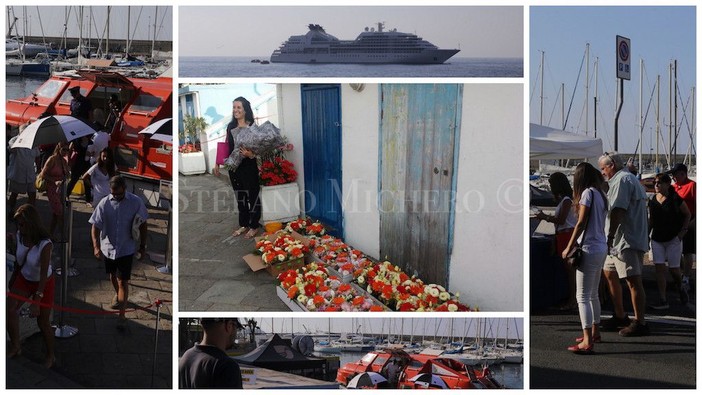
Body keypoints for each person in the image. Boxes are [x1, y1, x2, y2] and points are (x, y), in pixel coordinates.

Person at [599, 152, 650, 336]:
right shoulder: (625, 179)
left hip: (625, 239)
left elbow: (618, 209)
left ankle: (640, 322)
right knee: (610, 273)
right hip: (620, 240)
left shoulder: (622, 180)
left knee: (633, 280)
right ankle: (620, 315)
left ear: (611, 165)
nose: (602, 172)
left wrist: (610, 235)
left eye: (603, 169)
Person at [89, 175, 148, 330]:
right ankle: (119, 296)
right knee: (113, 277)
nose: (116, 197)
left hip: (126, 248)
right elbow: (95, 226)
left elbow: (143, 224)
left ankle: (122, 314)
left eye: (119, 194)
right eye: (113, 194)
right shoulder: (104, 203)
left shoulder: (136, 202)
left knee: (123, 281)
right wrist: (96, 247)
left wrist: (143, 246)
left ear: (125, 189)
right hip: (108, 248)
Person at [561, 163, 609, 354]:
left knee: (581, 296)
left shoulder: (587, 194)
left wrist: (568, 246)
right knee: (593, 294)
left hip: (588, 248)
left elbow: (580, 223)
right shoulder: (600, 194)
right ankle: (595, 331)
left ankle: (587, 340)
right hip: (600, 247)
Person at [6, 204, 56, 368]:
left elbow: (43, 273)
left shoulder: (45, 244)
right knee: (9, 309)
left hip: (43, 282)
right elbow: (20, 261)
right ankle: (16, 345)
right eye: (18, 224)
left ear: (31, 223)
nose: (19, 228)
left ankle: (50, 355)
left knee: (43, 322)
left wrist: (37, 300)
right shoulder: (20, 235)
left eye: (22, 224)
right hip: (25, 277)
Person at [213, 97, 261, 239]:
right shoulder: (230, 126)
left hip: (249, 166)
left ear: (245, 110)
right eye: (234, 107)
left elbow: (259, 147)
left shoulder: (252, 126)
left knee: (252, 196)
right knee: (240, 197)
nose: (236, 110)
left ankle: (254, 226)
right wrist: (217, 162)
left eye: (239, 107)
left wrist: (250, 154)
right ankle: (244, 224)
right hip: (235, 167)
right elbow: (227, 145)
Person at [648, 173, 691, 309]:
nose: (656, 185)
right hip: (657, 238)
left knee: (674, 269)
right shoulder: (653, 200)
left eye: (659, 182)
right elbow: (651, 220)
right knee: (659, 268)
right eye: (655, 183)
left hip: (673, 238)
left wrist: (683, 231)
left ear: (667, 184)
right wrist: (647, 234)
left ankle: (680, 287)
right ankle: (663, 299)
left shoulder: (675, 198)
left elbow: (687, 214)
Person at [535, 172, 578, 310]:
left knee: (570, 270)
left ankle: (573, 299)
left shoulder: (566, 200)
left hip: (566, 235)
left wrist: (544, 217)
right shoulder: (565, 200)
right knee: (568, 270)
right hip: (561, 235)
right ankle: (572, 297)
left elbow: (561, 220)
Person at [179, 318, 244, 389]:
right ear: (229, 325)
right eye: (236, 327)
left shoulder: (186, 357)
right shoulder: (227, 366)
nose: (236, 332)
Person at [670, 163, 696, 293]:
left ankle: (686, 276)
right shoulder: (673, 187)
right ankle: (680, 273)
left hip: (689, 222)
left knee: (687, 250)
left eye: (675, 175)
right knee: (675, 249)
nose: (673, 177)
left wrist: (693, 222)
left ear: (683, 174)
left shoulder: (692, 186)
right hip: (675, 223)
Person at [39, 142, 70, 240]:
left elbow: (66, 174)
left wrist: (67, 174)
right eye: (64, 149)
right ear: (59, 148)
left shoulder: (64, 161)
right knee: (60, 212)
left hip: (61, 189)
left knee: (56, 213)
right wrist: (54, 181)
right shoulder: (52, 159)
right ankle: (64, 236)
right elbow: (43, 174)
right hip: (51, 188)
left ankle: (50, 233)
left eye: (67, 149)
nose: (66, 151)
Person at [7, 134, 40, 216]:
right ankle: (11, 210)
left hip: (30, 173)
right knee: (14, 194)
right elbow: (11, 148)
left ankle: (29, 213)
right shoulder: (14, 140)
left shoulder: (33, 143)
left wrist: (38, 168)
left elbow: (37, 155)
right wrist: (20, 139)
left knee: (32, 194)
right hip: (18, 174)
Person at [65, 136, 92, 204]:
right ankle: (66, 195)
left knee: (87, 181)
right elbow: (69, 150)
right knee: (74, 180)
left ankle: (88, 199)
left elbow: (93, 152)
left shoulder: (90, 142)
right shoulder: (76, 141)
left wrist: (91, 154)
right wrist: (69, 161)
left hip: (86, 164)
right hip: (77, 163)